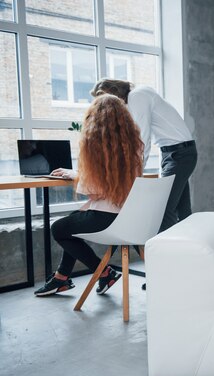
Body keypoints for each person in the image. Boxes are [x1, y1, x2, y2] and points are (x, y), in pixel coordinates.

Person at [34, 94, 144, 297]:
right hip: (132, 216)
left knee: (59, 228)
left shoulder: (93, 144)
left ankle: (104, 272)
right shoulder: (134, 145)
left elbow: (94, 191)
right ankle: (61, 277)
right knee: (73, 221)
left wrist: (74, 174)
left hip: (108, 220)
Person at [89, 78, 197, 232]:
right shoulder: (138, 95)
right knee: (182, 210)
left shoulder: (137, 96)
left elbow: (142, 139)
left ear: (115, 94)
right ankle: (191, 250)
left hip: (179, 154)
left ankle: (162, 254)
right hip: (174, 153)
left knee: (164, 210)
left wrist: (136, 174)